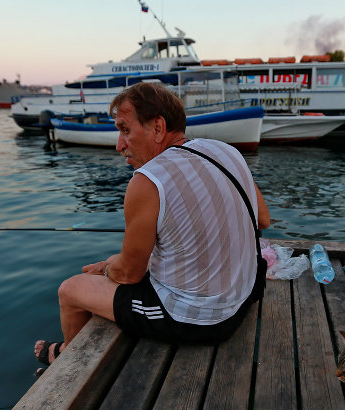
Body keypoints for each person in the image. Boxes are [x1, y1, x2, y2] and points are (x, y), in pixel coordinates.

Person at [34, 82, 270, 372]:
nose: (119, 145)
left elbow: (130, 275)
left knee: (71, 290)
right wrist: (115, 264)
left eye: (125, 130)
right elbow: (262, 219)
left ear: (158, 127)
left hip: (203, 320)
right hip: (246, 294)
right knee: (117, 261)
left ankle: (66, 362)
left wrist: (109, 270)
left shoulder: (147, 180)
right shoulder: (225, 151)